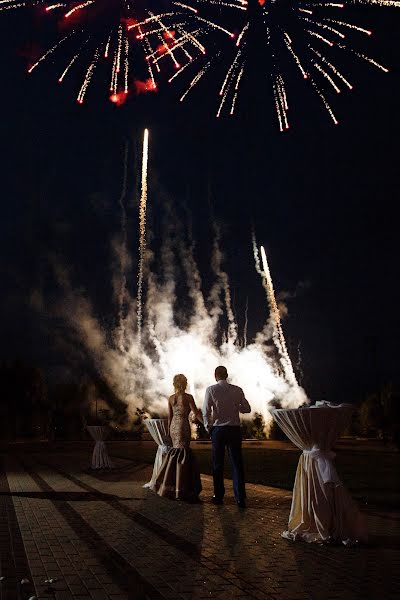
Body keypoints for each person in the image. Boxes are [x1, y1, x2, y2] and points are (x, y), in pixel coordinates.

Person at [202, 366, 251, 508]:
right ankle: (240, 498)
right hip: (234, 429)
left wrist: (208, 427)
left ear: (215, 375)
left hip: (219, 430)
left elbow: (206, 411)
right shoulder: (237, 389)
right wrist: (237, 406)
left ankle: (218, 496)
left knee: (217, 464)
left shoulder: (211, 389)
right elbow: (247, 408)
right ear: (227, 375)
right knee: (237, 464)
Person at [152, 374, 203, 501]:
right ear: (185, 383)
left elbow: (170, 417)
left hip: (174, 426)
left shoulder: (171, 398)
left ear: (174, 384)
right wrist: (206, 424)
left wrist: (169, 431)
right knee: (183, 454)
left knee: (176, 453)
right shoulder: (188, 397)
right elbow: (196, 413)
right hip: (183, 426)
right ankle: (182, 488)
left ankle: (172, 486)